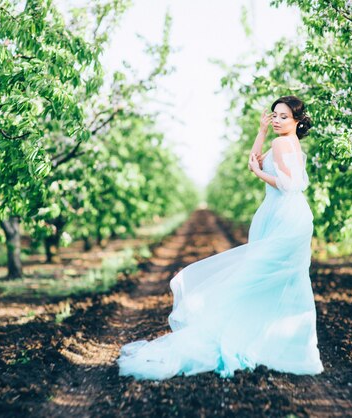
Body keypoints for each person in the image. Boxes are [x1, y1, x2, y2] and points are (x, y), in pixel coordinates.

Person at [116, 95, 324, 380]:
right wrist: (260, 135)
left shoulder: (281, 143)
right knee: (287, 278)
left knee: (256, 276)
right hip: (291, 215)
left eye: (283, 117)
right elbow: (258, 162)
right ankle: (289, 350)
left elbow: (288, 184)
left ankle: (250, 338)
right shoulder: (290, 144)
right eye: (274, 115)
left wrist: (258, 173)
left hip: (283, 214)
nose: (276, 120)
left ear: (297, 121)